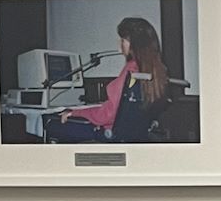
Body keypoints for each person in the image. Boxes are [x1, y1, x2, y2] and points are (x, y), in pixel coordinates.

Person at [54, 15, 172, 143]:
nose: (119, 46)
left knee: (51, 123)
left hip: (111, 134)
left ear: (134, 43)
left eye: (122, 41)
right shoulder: (158, 71)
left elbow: (106, 115)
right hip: (136, 136)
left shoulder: (131, 70)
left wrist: (74, 113)